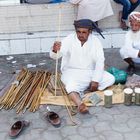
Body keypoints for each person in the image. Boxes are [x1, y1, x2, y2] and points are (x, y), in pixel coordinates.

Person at [50, 19, 115, 114]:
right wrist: (55, 50)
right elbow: (57, 55)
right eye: (78, 32)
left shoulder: (95, 41)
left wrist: (95, 80)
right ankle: (80, 103)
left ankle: (82, 90)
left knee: (110, 78)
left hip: (89, 72)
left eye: (84, 32)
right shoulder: (69, 39)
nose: (81, 35)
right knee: (71, 85)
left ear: (90, 32)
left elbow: (100, 61)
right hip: (71, 72)